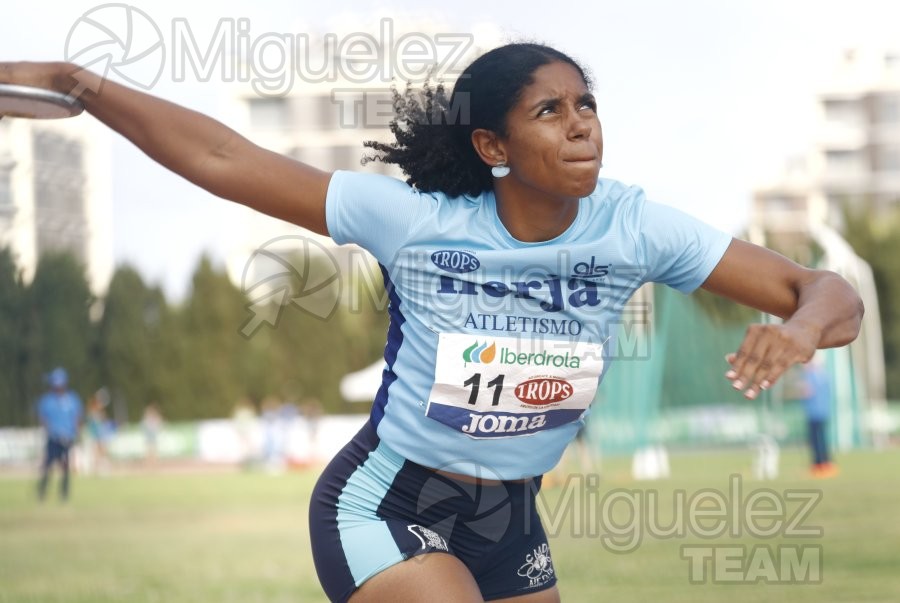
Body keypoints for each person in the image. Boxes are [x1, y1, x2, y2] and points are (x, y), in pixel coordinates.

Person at [1, 42, 864, 601]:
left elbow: (829, 292)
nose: (582, 127)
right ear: (493, 147)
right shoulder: (417, 222)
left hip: (512, 519)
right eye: (550, 111)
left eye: (587, 104)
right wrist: (84, 86)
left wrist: (799, 330)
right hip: (386, 499)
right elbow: (227, 158)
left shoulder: (635, 225)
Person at [36, 367, 83, 502]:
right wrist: (51, 431)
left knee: (65, 467)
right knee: (47, 466)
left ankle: (64, 494)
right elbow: (43, 419)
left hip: (68, 439)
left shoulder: (72, 399)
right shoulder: (47, 400)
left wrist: (75, 433)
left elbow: (77, 417)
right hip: (53, 438)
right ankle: (42, 492)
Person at [798, 355, 837, 478]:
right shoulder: (824, 375)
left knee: (816, 441)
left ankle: (819, 465)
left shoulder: (811, 376)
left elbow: (807, 392)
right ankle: (825, 463)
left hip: (814, 413)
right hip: (823, 412)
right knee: (822, 440)